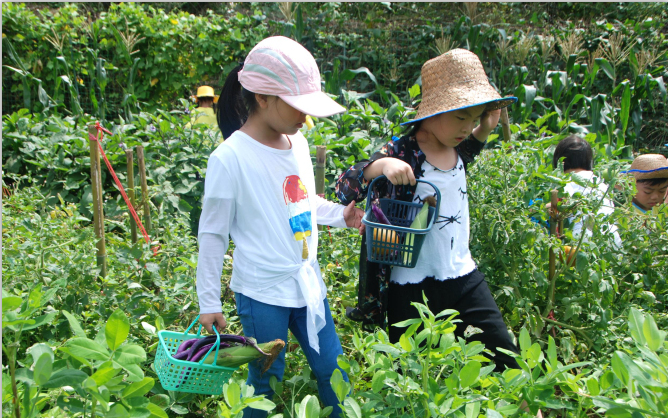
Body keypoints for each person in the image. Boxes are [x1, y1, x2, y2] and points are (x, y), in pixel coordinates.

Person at [195, 36, 364, 418]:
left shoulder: (297, 143)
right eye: (298, 107)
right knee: (267, 378)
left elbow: (301, 202)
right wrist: (209, 301)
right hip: (261, 291)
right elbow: (212, 235)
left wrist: (341, 214)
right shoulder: (230, 158)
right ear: (262, 97)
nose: (305, 118)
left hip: (307, 284)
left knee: (333, 369)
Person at [336, 49, 520, 372]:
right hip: (410, 285)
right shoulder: (404, 150)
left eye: (473, 118)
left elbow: (464, 154)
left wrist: (484, 129)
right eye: (461, 117)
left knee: (505, 357)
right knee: (410, 374)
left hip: (463, 275)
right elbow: (345, 186)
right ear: (432, 112)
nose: (467, 126)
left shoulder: (456, 147)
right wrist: (380, 166)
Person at [552, 135, 621, 247]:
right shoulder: (601, 184)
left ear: (559, 162)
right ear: (589, 162)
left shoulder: (565, 185)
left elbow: (555, 210)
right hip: (613, 242)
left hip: (580, 245)